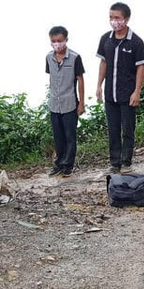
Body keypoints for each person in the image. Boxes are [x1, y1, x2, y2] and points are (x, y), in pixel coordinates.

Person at [96, 2, 144, 174]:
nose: (114, 21)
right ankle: (114, 162)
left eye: (117, 18)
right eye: (111, 17)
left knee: (127, 129)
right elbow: (103, 62)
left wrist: (137, 91)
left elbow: (141, 67)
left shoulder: (135, 42)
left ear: (126, 19)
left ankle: (126, 162)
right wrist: (99, 86)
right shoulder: (106, 39)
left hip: (127, 94)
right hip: (110, 94)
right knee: (113, 129)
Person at [45, 26, 85, 177]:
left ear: (66, 40)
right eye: (53, 41)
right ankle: (59, 164)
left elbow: (80, 80)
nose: (57, 44)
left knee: (70, 136)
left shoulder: (75, 57)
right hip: (55, 104)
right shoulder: (49, 57)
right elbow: (51, 77)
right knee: (58, 136)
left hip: (70, 103)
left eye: (59, 41)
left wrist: (81, 103)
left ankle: (68, 165)